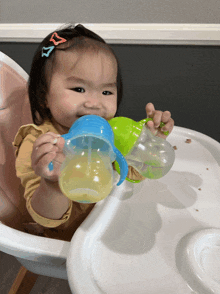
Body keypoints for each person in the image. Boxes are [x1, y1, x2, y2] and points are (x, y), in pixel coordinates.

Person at [13, 24, 174, 241]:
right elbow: (45, 218)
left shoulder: (111, 130)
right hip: (73, 239)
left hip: (111, 221)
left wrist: (148, 144)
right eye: (79, 89)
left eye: (106, 91)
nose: (95, 103)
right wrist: (51, 184)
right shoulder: (39, 143)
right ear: (44, 96)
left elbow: (132, 175)